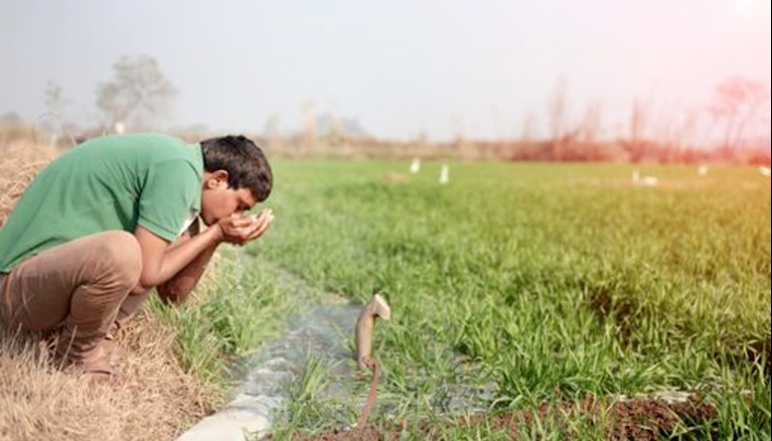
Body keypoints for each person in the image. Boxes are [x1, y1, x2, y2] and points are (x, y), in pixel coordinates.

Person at [0, 132, 274, 380]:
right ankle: (76, 356)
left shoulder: (186, 186)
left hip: (42, 287)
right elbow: (145, 278)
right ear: (218, 180)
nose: (237, 216)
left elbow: (173, 297)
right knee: (123, 251)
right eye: (239, 206)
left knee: (150, 249)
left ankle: (93, 337)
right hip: (15, 291)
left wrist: (214, 239)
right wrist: (213, 234)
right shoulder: (178, 169)